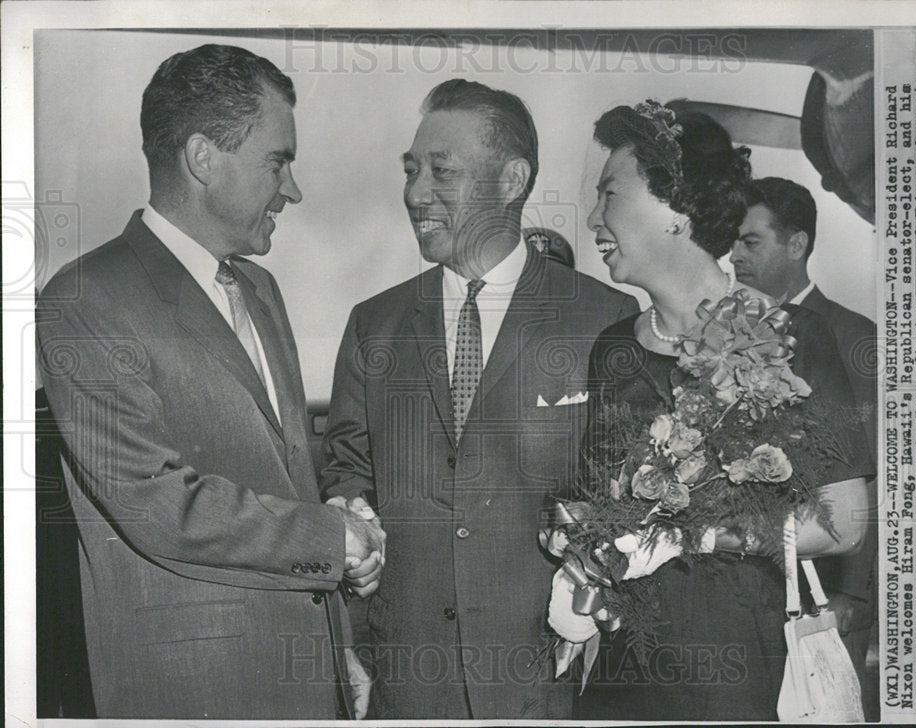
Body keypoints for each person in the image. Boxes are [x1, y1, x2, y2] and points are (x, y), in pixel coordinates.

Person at [36, 44, 384, 720]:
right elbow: (153, 502)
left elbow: (290, 479)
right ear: (203, 157)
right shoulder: (85, 299)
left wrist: (337, 646)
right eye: (277, 162)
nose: (293, 189)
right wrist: (332, 537)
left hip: (309, 678)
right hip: (194, 689)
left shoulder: (260, 289)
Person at [320, 79, 638, 720]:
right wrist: (348, 522)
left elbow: (626, 497)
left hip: (546, 679)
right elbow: (347, 470)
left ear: (513, 179)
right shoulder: (372, 324)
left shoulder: (604, 319)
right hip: (405, 679)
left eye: (442, 171)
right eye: (411, 171)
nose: (415, 193)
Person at [570, 101, 873, 721]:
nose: (595, 219)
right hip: (626, 671)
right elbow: (601, 504)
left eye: (610, 195)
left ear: (677, 210)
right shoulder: (613, 350)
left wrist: (705, 535)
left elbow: (844, 523)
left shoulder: (793, 335)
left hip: (743, 671)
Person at [733, 176, 878, 718]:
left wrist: (853, 598)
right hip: (752, 585)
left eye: (751, 241)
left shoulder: (850, 335)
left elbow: (870, 479)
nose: (734, 255)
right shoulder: (728, 328)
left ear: (796, 245)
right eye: (733, 241)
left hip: (828, 596)